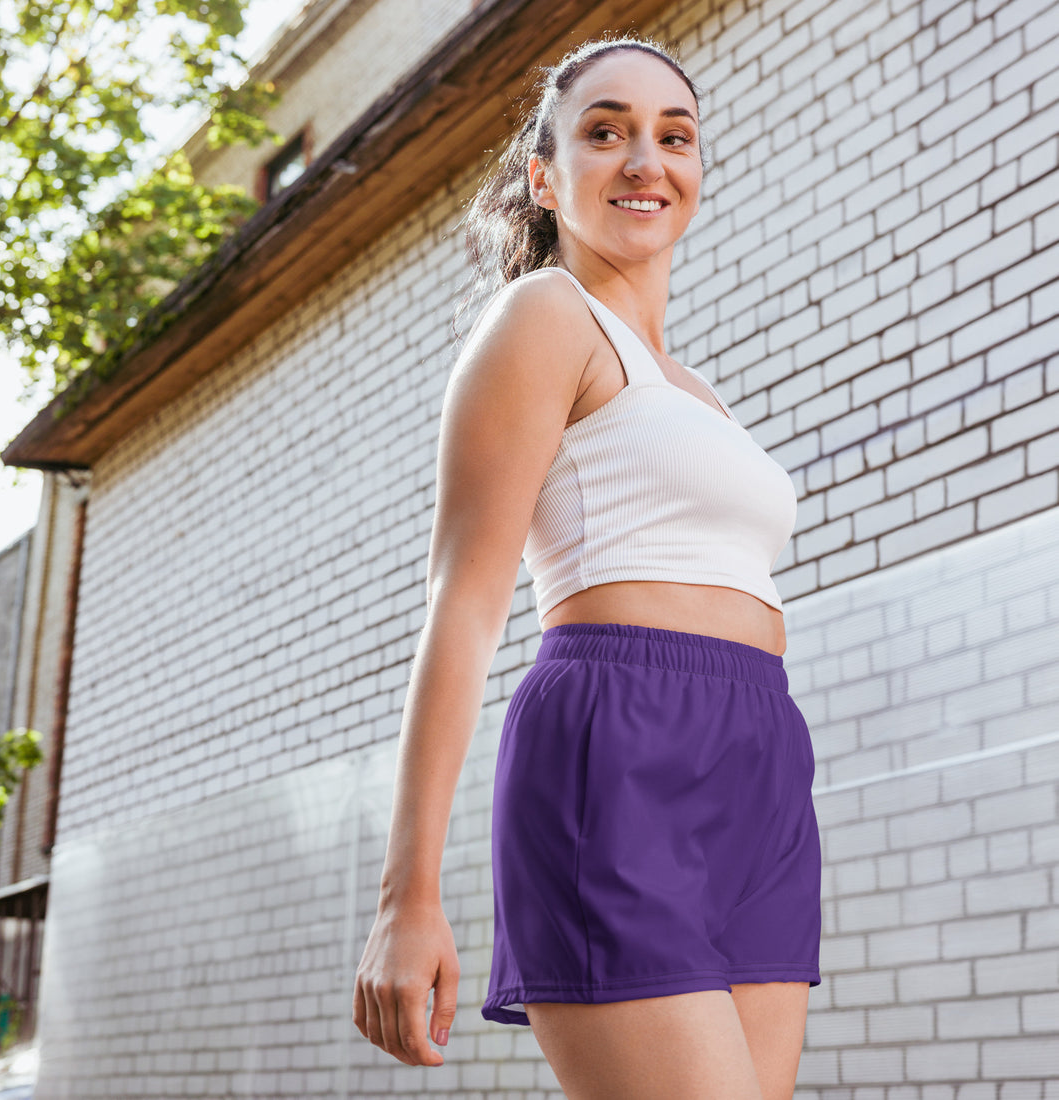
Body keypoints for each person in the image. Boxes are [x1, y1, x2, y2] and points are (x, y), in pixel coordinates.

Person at [352, 35, 822, 1100]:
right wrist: (406, 894)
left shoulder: (696, 388)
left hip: (758, 759)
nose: (643, 160)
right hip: (617, 740)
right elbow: (462, 604)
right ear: (543, 175)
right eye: (604, 132)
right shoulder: (543, 317)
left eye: (673, 136)